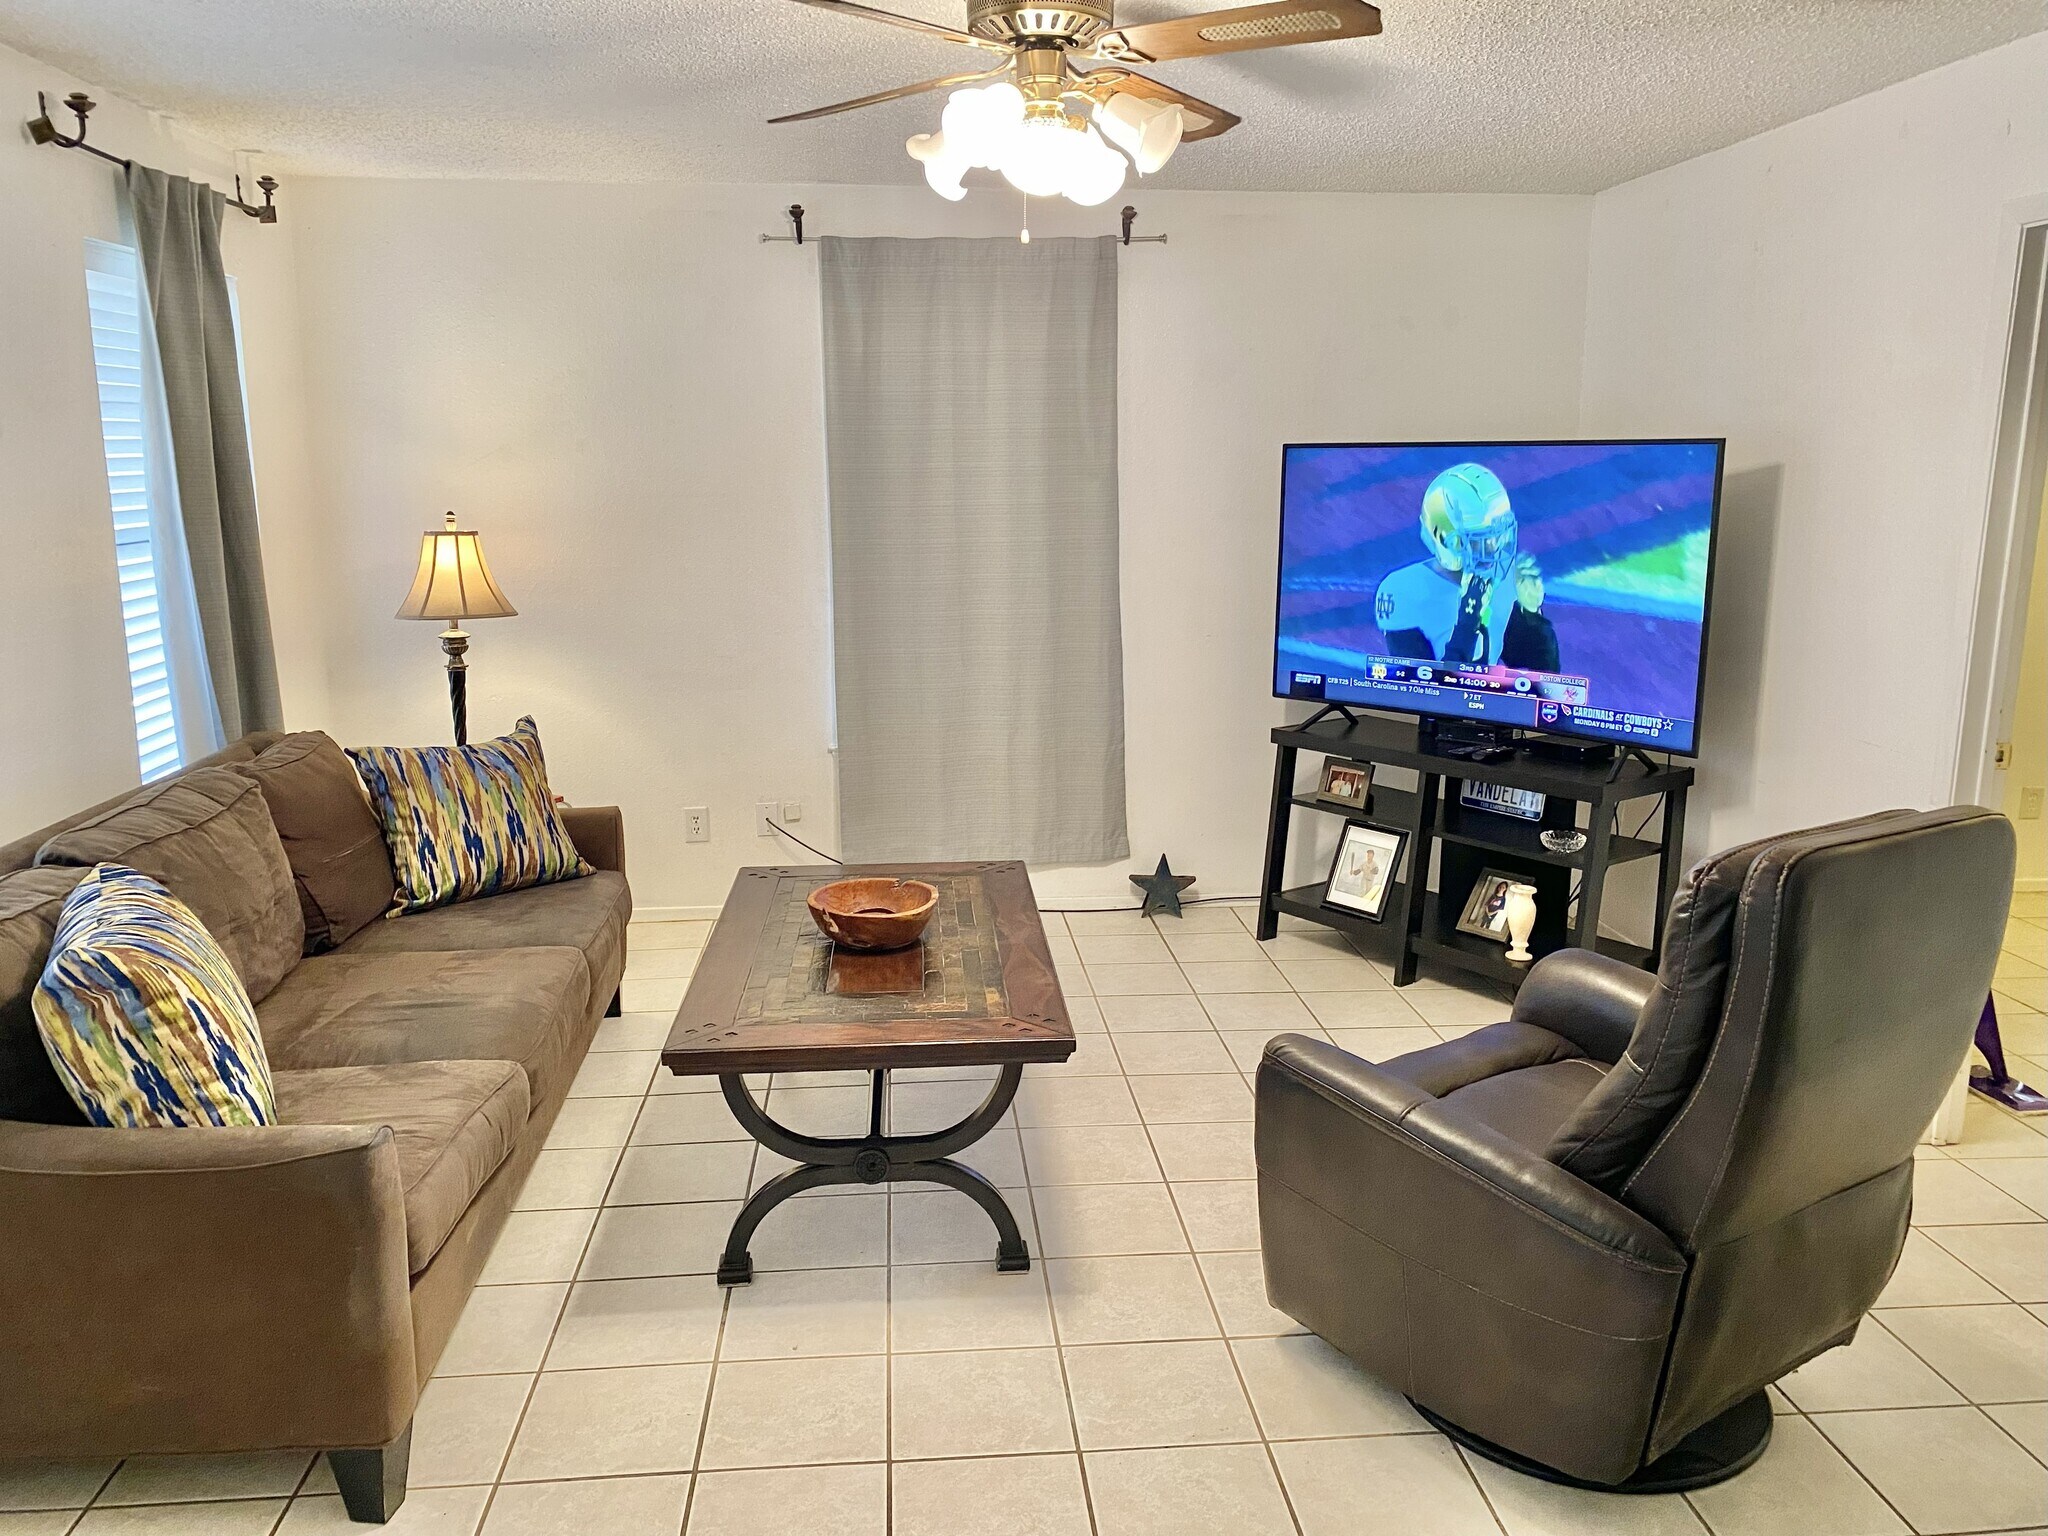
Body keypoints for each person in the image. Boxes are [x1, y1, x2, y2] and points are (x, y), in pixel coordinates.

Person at [1376, 463, 1558, 673]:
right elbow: (1427, 692)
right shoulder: (1403, 591)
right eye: (1481, 539)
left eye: (1498, 535)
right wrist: (1469, 619)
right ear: (1445, 539)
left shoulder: (1502, 581)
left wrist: (1531, 615)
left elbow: (1542, 685)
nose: (1494, 547)